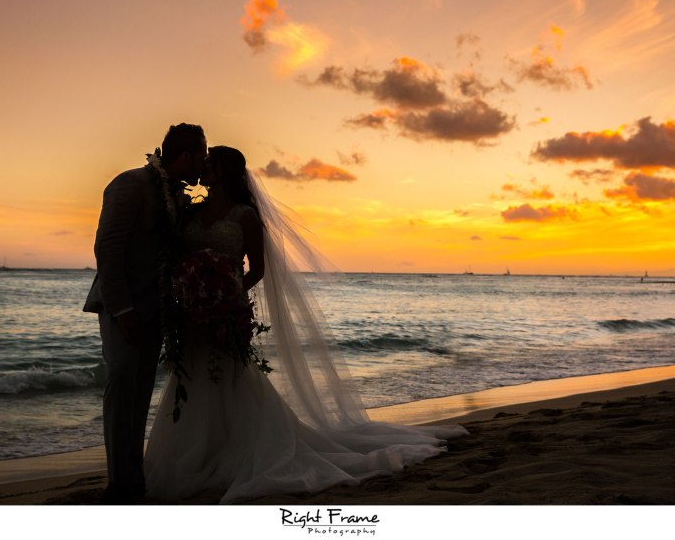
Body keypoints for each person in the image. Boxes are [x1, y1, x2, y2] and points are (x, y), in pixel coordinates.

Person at [143, 146, 467, 504]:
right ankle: (196, 456)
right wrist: (189, 295)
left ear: (224, 170)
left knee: (228, 377)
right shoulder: (191, 210)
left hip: (226, 312)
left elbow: (258, 269)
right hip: (191, 314)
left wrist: (227, 299)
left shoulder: (245, 216)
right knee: (192, 378)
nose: (203, 165)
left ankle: (237, 452)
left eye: (210, 162)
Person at [83, 123, 207, 504]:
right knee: (121, 380)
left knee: (140, 393)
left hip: (157, 310)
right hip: (122, 307)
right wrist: (123, 312)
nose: (204, 162)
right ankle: (118, 481)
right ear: (185, 156)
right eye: (202, 155)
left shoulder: (178, 196)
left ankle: (132, 479)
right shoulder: (129, 185)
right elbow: (107, 251)